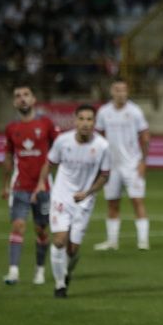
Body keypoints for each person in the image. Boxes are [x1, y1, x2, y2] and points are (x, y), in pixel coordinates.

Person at [36, 105, 111, 298]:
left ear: (94, 123)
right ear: (75, 121)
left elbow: (105, 175)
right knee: (59, 241)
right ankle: (60, 285)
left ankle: (66, 273)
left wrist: (88, 192)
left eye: (89, 119)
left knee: (73, 249)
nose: (85, 123)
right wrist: (41, 184)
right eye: (82, 119)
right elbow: (49, 163)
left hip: (84, 202)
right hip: (61, 196)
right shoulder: (63, 141)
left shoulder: (102, 146)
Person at [1, 84, 57, 286]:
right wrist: (5, 185)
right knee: (18, 226)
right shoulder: (11, 128)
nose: (22, 98)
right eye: (18, 96)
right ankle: (13, 272)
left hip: (43, 188)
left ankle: (40, 269)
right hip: (20, 186)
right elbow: (8, 157)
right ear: (14, 102)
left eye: (26, 95)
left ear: (33, 99)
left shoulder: (46, 124)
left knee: (41, 230)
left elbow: (58, 151)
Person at [92, 80, 150, 251]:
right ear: (112, 92)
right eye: (117, 90)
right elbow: (99, 137)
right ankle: (112, 242)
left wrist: (143, 161)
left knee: (137, 201)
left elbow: (145, 136)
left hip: (132, 165)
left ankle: (143, 241)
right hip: (111, 166)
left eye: (124, 90)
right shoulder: (104, 112)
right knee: (112, 203)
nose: (121, 93)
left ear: (127, 92)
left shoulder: (135, 111)